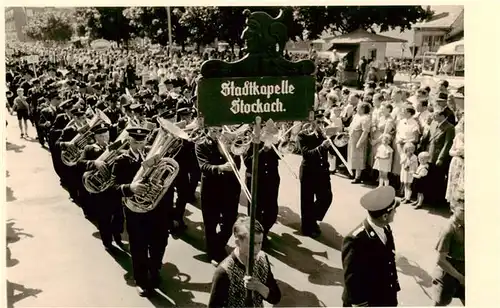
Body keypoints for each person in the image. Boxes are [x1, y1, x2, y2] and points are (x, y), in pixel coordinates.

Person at [111, 126, 171, 296]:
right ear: (129, 141)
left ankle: (154, 269)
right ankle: (141, 280)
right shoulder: (121, 160)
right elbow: (113, 187)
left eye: (142, 142)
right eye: (136, 142)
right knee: (139, 246)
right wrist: (130, 187)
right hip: (135, 211)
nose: (140, 145)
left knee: (160, 242)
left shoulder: (154, 158)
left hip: (157, 209)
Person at [342, 186, 400, 307]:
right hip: (368, 301)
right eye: (394, 210)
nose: (395, 212)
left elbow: (389, 261)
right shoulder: (356, 240)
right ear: (385, 216)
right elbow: (352, 281)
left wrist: (393, 287)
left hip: (384, 295)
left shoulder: (385, 228)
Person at [208, 216, 281, 308]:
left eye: (260, 243)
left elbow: (275, 297)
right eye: (252, 244)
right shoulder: (224, 272)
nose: (257, 249)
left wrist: (259, 286)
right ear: (238, 242)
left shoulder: (262, 259)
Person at [195, 127, 241, 264]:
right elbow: (203, 166)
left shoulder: (229, 142)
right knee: (211, 223)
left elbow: (237, 165)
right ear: (208, 129)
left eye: (220, 130)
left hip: (230, 188)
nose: (217, 134)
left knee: (230, 222)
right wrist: (220, 168)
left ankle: (219, 245)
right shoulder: (201, 144)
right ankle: (212, 254)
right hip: (211, 189)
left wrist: (232, 150)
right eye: (214, 131)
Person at [78, 123, 124, 250]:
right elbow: (79, 163)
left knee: (118, 215)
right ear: (96, 137)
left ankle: (118, 237)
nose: (105, 138)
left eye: (106, 135)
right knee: (104, 218)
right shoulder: (89, 148)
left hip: (113, 187)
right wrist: (94, 163)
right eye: (101, 136)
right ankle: (107, 242)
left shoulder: (113, 147)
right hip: (100, 190)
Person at [297, 111, 335, 238]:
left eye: (322, 122)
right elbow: (306, 154)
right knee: (307, 201)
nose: (321, 125)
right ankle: (307, 227)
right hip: (309, 172)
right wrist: (321, 147)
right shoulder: (302, 135)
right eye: (318, 122)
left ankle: (311, 219)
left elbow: (332, 151)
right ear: (311, 122)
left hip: (322, 171)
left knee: (327, 197)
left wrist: (332, 141)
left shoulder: (323, 135)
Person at [432, 205, 465, 306]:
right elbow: (440, 260)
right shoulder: (448, 229)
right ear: (453, 209)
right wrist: (460, 277)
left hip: (463, 269)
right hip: (448, 274)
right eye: (462, 210)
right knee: (440, 303)